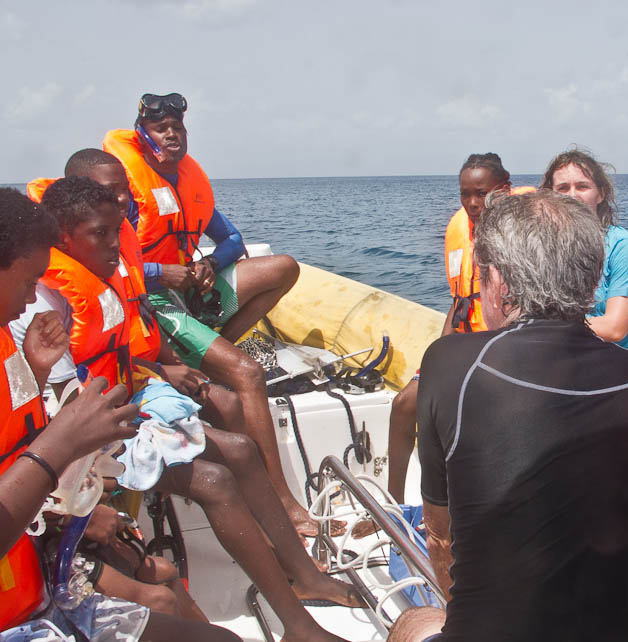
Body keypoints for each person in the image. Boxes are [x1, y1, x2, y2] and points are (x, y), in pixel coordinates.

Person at [25, 178, 360, 642]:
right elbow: (63, 406)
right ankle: (299, 626)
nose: (114, 244)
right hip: (88, 442)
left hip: (124, 404)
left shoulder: (102, 274)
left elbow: (117, 348)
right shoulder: (43, 305)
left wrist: (158, 371)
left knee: (241, 449)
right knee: (215, 480)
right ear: (63, 238)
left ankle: (304, 576)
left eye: (116, 231)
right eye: (100, 234)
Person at [389, 189, 628, 642]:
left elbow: (440, 540)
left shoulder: (450, 363)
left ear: (499, 282)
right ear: (592, 279)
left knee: (413, 623)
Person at [0, 187, 238, 642]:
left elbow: (14, 438)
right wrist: (62, 446)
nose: (32, 299)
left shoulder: (5, 339)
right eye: (29, 281)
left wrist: (34, 368)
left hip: (37, 581)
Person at [101, 94, 318, 536]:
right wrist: (162, 273)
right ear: (142, 135)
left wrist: (209, 264)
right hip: (155, 300)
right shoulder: (126, 195)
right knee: (249, 374)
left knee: (283, 268)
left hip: (192, 286)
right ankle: (283, 501)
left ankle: (214, 348)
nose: (172, 134)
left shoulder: (189, 182)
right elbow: (114, 264)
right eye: (161, 127)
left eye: (178, 127)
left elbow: (232, 238)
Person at [387, 153, 532, 503]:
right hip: (464, 344)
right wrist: (436, 358)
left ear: (505, 189)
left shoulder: (524, 232)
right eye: (465, 194)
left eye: (481, 193)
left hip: (506, 349)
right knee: (405, 403)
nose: (472, 203)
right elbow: (460, 300)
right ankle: (394, 504)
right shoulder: (458, 229)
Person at [540, 148, 628, 351]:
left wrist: (544, 327)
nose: (572, 195)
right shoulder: (540, 246)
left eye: (582, 186)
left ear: (601, 194)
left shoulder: (623, 246)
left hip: (608, 364)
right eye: (563, 188)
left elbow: (615, 328)